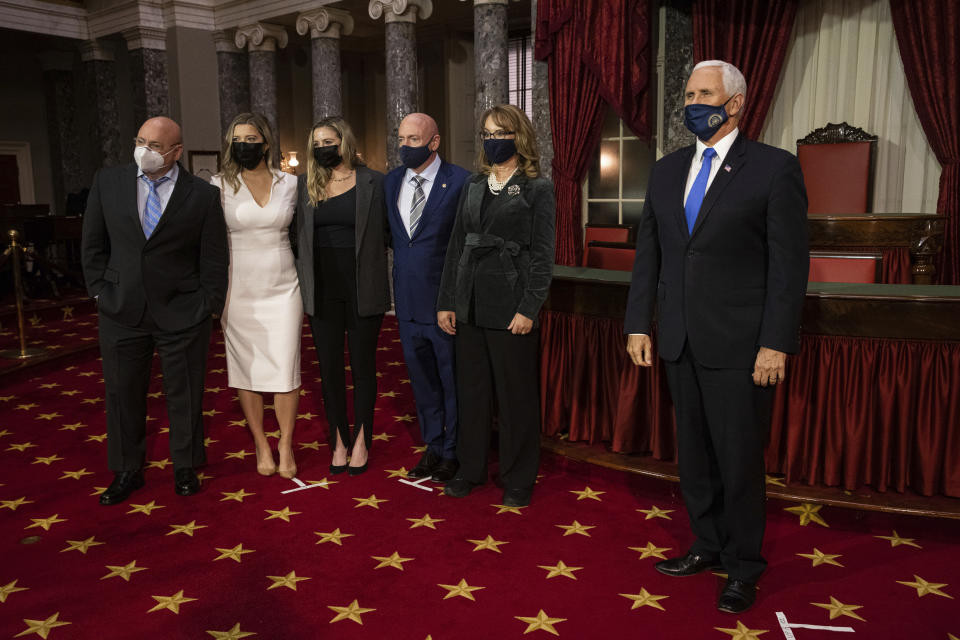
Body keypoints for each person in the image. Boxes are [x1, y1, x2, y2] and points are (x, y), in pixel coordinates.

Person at [624, 60, 809, 614]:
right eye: (688, 93)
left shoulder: (774, 170)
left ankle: (744, 565)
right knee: (696, 458)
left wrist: (775, 342)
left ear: (736, 104)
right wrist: (638, 322)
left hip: (742, 346)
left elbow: (788, 266)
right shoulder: (665, 169)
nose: (692, 102)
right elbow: (649, 255)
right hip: (678, 339)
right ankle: (706, 544)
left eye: (705, 93)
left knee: (738, 459)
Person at [81, 116, 228, 504]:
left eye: (156, 145)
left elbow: (214, 257)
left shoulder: (202, 195)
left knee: (186, 393)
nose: (144, 150)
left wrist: (209, 304)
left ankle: (185, 466)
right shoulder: (107, 182)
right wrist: (99, 291)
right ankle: (127, 470)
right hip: (120, 308)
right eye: (140, 140)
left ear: (176, 152)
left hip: (183, 310)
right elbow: (92, 244)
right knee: (122, 392)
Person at [437, 104, 555, 508]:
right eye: (486, 133)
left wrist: (529, 308)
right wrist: (447, 301)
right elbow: (455, 247)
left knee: (514, 397)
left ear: (518, 136)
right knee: (472, 393)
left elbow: (542, 257)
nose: (492, 140)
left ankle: (518, 476)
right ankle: (471, 470)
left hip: (511, 305)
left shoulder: (538, 188)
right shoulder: (472, 184)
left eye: (500, 132)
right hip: (468, 302)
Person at [293, 117, 390, 476]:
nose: (322, 148)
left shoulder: (374, 182)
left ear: (345, 141)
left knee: (363, 368)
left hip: (364, 288)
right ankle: (338, 441)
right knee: (329, 370)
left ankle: (362, 440)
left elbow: (388, 233)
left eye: (328, 141)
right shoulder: (305, 185)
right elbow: (294, 237)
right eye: (316, 143)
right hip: (321, 291)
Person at [211, 113, 301, 479]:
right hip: (238, 289)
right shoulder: (217, 185)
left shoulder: (291, 184)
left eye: (251, 138)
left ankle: (286, 443)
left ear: (266, 143)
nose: (244, 145)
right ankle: (262, 444)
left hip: (284, 286)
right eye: (237, 139)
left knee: (285, 367)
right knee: (246, 370)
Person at [386, 113, 471, 484]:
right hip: (406, 305)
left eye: (414, 140)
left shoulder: (461, 182)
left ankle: (454, 451)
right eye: (401, 139)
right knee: (421, 382)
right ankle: (433, 446)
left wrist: (450, 299)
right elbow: (396, 241)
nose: (405, 146)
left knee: (451, 380)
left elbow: (465, 246)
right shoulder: (390, 183)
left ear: (434, 142)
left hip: (444, 306)